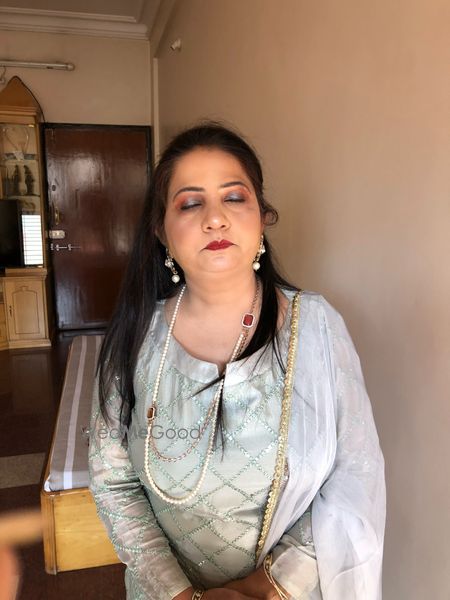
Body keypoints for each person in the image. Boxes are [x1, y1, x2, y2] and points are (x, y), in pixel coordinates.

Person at [88, 123, 386, 600]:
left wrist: (264, 587)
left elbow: (355, 473)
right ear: (161, 231)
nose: (215, 219)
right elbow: (114, 483)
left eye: (234, 197)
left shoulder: (318, 328)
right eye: (190, 203)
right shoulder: (134, 336)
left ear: (262, 217)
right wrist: (181, 595)